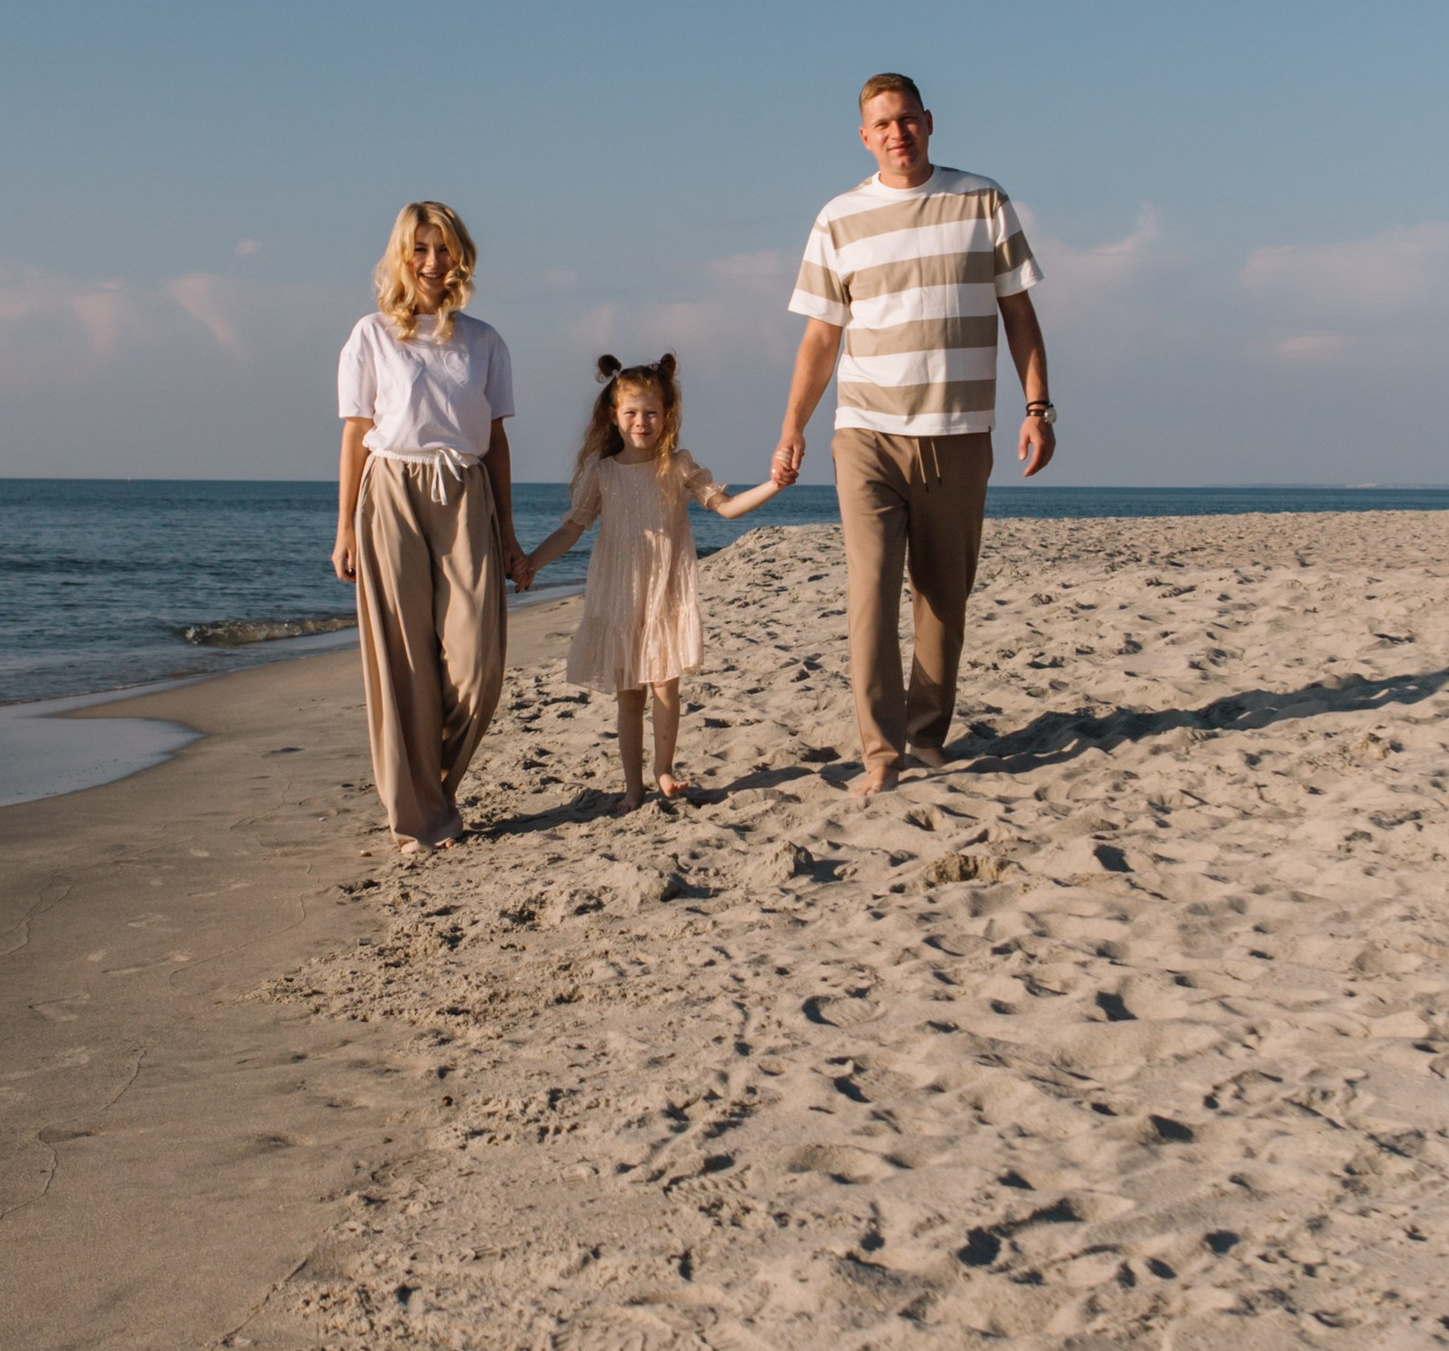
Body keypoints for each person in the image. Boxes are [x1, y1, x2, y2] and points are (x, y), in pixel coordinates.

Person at [770, 74, 1054, 795]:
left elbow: (1018, 313)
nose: (897, 133)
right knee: (869, 591)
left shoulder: (982, 199)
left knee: (943, 596)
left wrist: (1038, 407)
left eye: (907, 120)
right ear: (864, 137)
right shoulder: (838, 217)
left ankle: (926, 735)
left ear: (929, 123)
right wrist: (792, 427)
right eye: (882, 125)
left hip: (959, 431)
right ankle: (880, 753)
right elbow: (819, 338)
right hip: (866, 431)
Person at [332, 201, 524, 855]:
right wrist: (344, 529)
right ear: (400, 256)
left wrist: (508, 529)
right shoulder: (371, 335)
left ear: (460, 256)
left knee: (479, 663)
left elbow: (495, 439)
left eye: (443, 249)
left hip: (466, 492)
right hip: (389, 492)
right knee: (404, 662)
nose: (433, 262)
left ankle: (431, 785)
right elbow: (356, 434)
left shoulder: (484, 340)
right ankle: (419, 815)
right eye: (420, 249)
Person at [517, 353, 778, 809]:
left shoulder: (676, 465)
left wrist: (775, 484)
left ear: (667, 415)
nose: (642, 421)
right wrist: (532, 562)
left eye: (651, 412)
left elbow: (727, 507)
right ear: (613, 416)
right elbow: (571, 528)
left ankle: (663, 771)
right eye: (632, 413)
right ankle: (632, 787)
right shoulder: (602, 473)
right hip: (619, 597)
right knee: (629, 697)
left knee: (666, 687)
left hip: (665, 595)